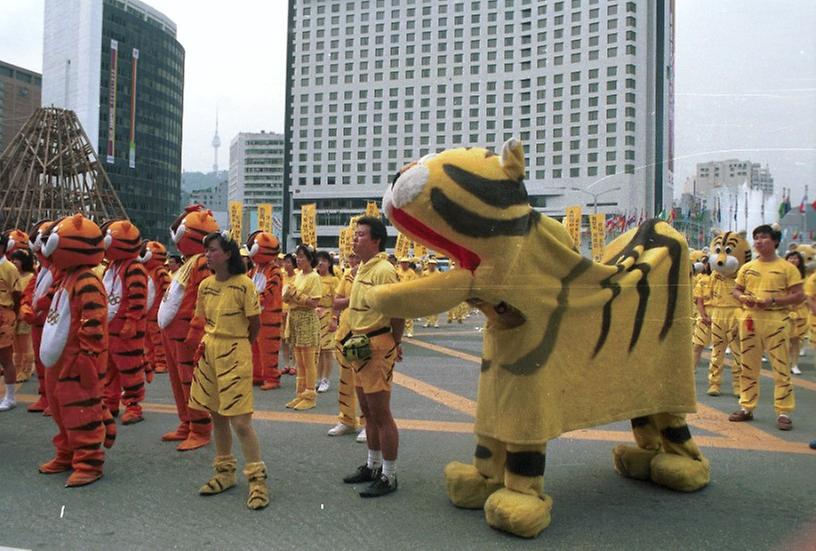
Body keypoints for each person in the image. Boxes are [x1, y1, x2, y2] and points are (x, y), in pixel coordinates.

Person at [188, 231, 268, 510]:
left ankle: (257, 482)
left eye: (212, 250)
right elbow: (201, 319)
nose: (208, 254)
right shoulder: (205, 285)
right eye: (206, 250)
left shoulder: (244, 284)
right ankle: (224, 473)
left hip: (235, 351)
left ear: (228, 253)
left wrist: (240, 346)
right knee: (217, 416)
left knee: (241, 422)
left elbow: (254, 324)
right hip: (210, 351)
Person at [341, 216, 404, 497]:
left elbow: (398, 311)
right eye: (355, 235)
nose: (355, 239)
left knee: (381, 413)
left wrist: (394, 343)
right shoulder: (362, 268)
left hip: (376, 344)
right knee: (367, 411)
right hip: (359, 346)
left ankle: (389, 475)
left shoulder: (384, 270)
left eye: (361, 235)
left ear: (377, 240)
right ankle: (372, 465)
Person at [730, 225, 803, 431]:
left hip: (776, 321)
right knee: (748, 366)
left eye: (763, 238)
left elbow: (798, 295)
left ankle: (783, 411)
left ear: (775, 241)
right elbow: (736, 290)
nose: (759, 242)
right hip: (750, 320)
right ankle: (746, 407)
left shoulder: (787, 268)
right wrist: (742, 297)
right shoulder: (747, 267)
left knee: (780, 367)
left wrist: (772, 301)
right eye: (756, 238)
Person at [327, 251, 367, 440]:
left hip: (365, 334)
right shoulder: (347, 275)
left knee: (365, 383)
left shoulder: (374, 274)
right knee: (345, 381)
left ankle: (368, 423)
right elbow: (336, 301)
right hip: (345, 334)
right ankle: (347, 420)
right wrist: (336, 316)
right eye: (351, 257)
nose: (354, 260)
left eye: (357, 257)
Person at [282, 245, 322, 410]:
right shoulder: (298, 275)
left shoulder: (314, 277)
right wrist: (289, 296)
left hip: (307, 318)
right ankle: (300, 393)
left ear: (310, 259)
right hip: (295, 318)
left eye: (302, 257)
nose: (298, 260)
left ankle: (310, 394)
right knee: (298, 359)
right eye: (297, 257)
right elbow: (288, 297)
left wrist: (295, 296)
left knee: (308, 360)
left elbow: (314, 302)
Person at [0, 234, 22, 411]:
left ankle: (10, 397)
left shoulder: (9, 268)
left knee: (6, 357)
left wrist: (12, 315)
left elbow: (17, 294)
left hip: (3, 315)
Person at [315, 250, 339, 393]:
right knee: (317, 350)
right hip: (314, 316)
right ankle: (318, 378)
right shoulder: (313, 277)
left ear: (329, 263)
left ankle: (326, 379)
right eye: (318, 260)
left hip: (328, 314)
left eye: (324, 260)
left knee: (327, 350)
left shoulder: (333, 280)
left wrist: (334, 318)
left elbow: (336, 301)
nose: (320, 263)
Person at [10, 249, 35, 383]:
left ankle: (26, 370)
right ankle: (17, 369)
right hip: (12, 313)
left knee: (26, 344)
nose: (14, 262)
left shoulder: (31, 277)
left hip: (24, 313)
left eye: (17, 259)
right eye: (13, 259)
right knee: (15, 344)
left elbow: (30, 297)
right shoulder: (13, 275)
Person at [783, 251, 807, 375]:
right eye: (790, 258)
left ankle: (794, 364)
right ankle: (784, 363)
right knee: (782, 340)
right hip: (784, 310)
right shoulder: (781, 275)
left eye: (795, 258)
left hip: (799, 311)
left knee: (796, 340)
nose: (793, 260)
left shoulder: (804, 277)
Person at [280, 253, 297, 375]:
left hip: (292, 311)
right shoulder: (282, 276)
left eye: (289, 262)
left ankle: (294, 365)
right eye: (285, 262)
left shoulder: (298, 276)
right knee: (283, 340)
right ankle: (286, 364)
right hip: (281, 311)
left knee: (293, 339)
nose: (286, 265)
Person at [396, 257, 418, 337]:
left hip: (408, 295)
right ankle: (400, 331)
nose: (404, 264)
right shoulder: (397, 271)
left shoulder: (411, 272)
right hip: (398, 295)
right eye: (402, 262)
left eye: (406, 262)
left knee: (408, 314)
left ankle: (410, 331)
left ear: (408, 264)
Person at [422, 259, 441, 328]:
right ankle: (427, 321)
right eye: (430, 264)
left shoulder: (438, 273)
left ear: (435, 265)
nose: (431, 265)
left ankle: (435, 322)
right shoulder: (424, 273)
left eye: (433, 264)